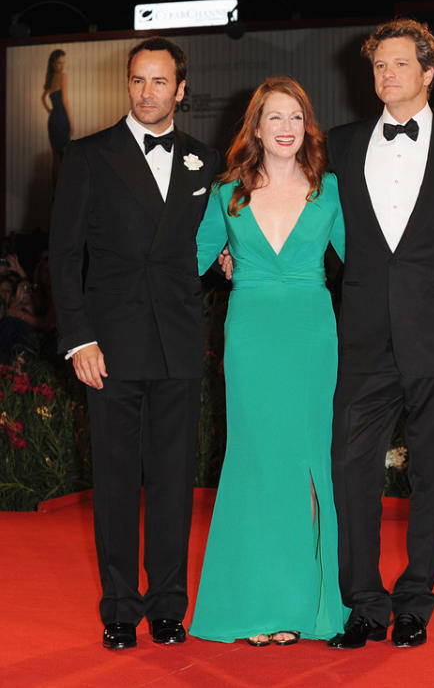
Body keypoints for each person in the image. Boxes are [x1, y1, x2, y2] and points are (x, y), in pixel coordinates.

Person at [324, 18, 434, 650]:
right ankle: (364, 604)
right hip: (362, 341)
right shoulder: (339, 145)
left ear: (429, 74)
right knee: (351, 471)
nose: (387, 76)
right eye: (379, 67)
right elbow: (294, 206)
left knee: (433, 475)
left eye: (400, 65)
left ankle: (416, 600)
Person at [48, 37, 219, 650]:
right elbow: (64, 257)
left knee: (174, 483)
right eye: (137, 80)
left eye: (158, 82)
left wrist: (229, 258)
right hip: (109, 347)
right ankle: (120, 608)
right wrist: (77, 339)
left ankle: (169, 605)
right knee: (118, 483)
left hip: (178, 343)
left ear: (180, 89)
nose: (146, 92)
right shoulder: (89, 156)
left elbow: (211, 241)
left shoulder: (205, 159)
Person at [190, 77, 349, 645]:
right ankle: (255, 604)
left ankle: (301, 606)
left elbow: (370, 262)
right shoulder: (226, 193)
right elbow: (185, 264)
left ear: (307, 128)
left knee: (307, 464)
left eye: (296, 118)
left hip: (311, 336)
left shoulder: (329, 189)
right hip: (252, 336)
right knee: (256, 462)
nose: (286, 128)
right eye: (275, 118)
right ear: (255, 127)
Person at [42, 48, 72, 177]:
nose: (62, 66)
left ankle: (54, 194)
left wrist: (50, 111)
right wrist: (71, 122)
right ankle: (63, 194)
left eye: (63, 62)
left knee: (56, 158)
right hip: (61, 119)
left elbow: (43, 98)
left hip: (53, 120)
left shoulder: (50, 78)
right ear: (53, 63)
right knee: (65, 158)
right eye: (59, 62)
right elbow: (65, 100)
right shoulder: (62, 76)